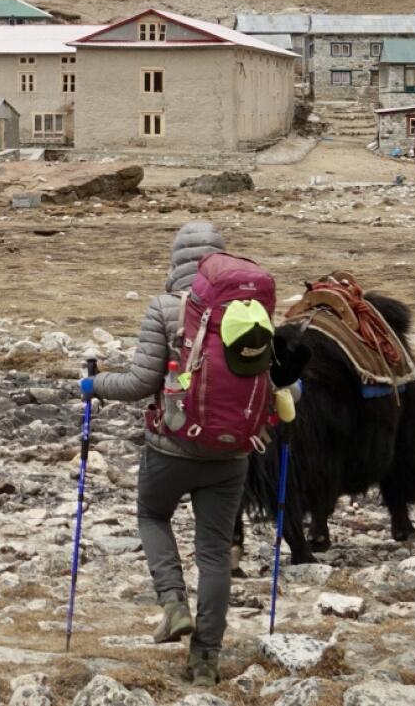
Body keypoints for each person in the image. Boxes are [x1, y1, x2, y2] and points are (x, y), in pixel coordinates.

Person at [80, 220, 296, 688]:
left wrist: (93, 385)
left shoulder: (163, 308)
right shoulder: (254, 312)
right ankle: (205, 662)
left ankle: (173, 604)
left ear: (174, 262)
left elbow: (140, 384)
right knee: (215, 552)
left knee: (152, 516)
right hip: (232, 453)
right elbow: (281, 380)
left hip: (171, 446)